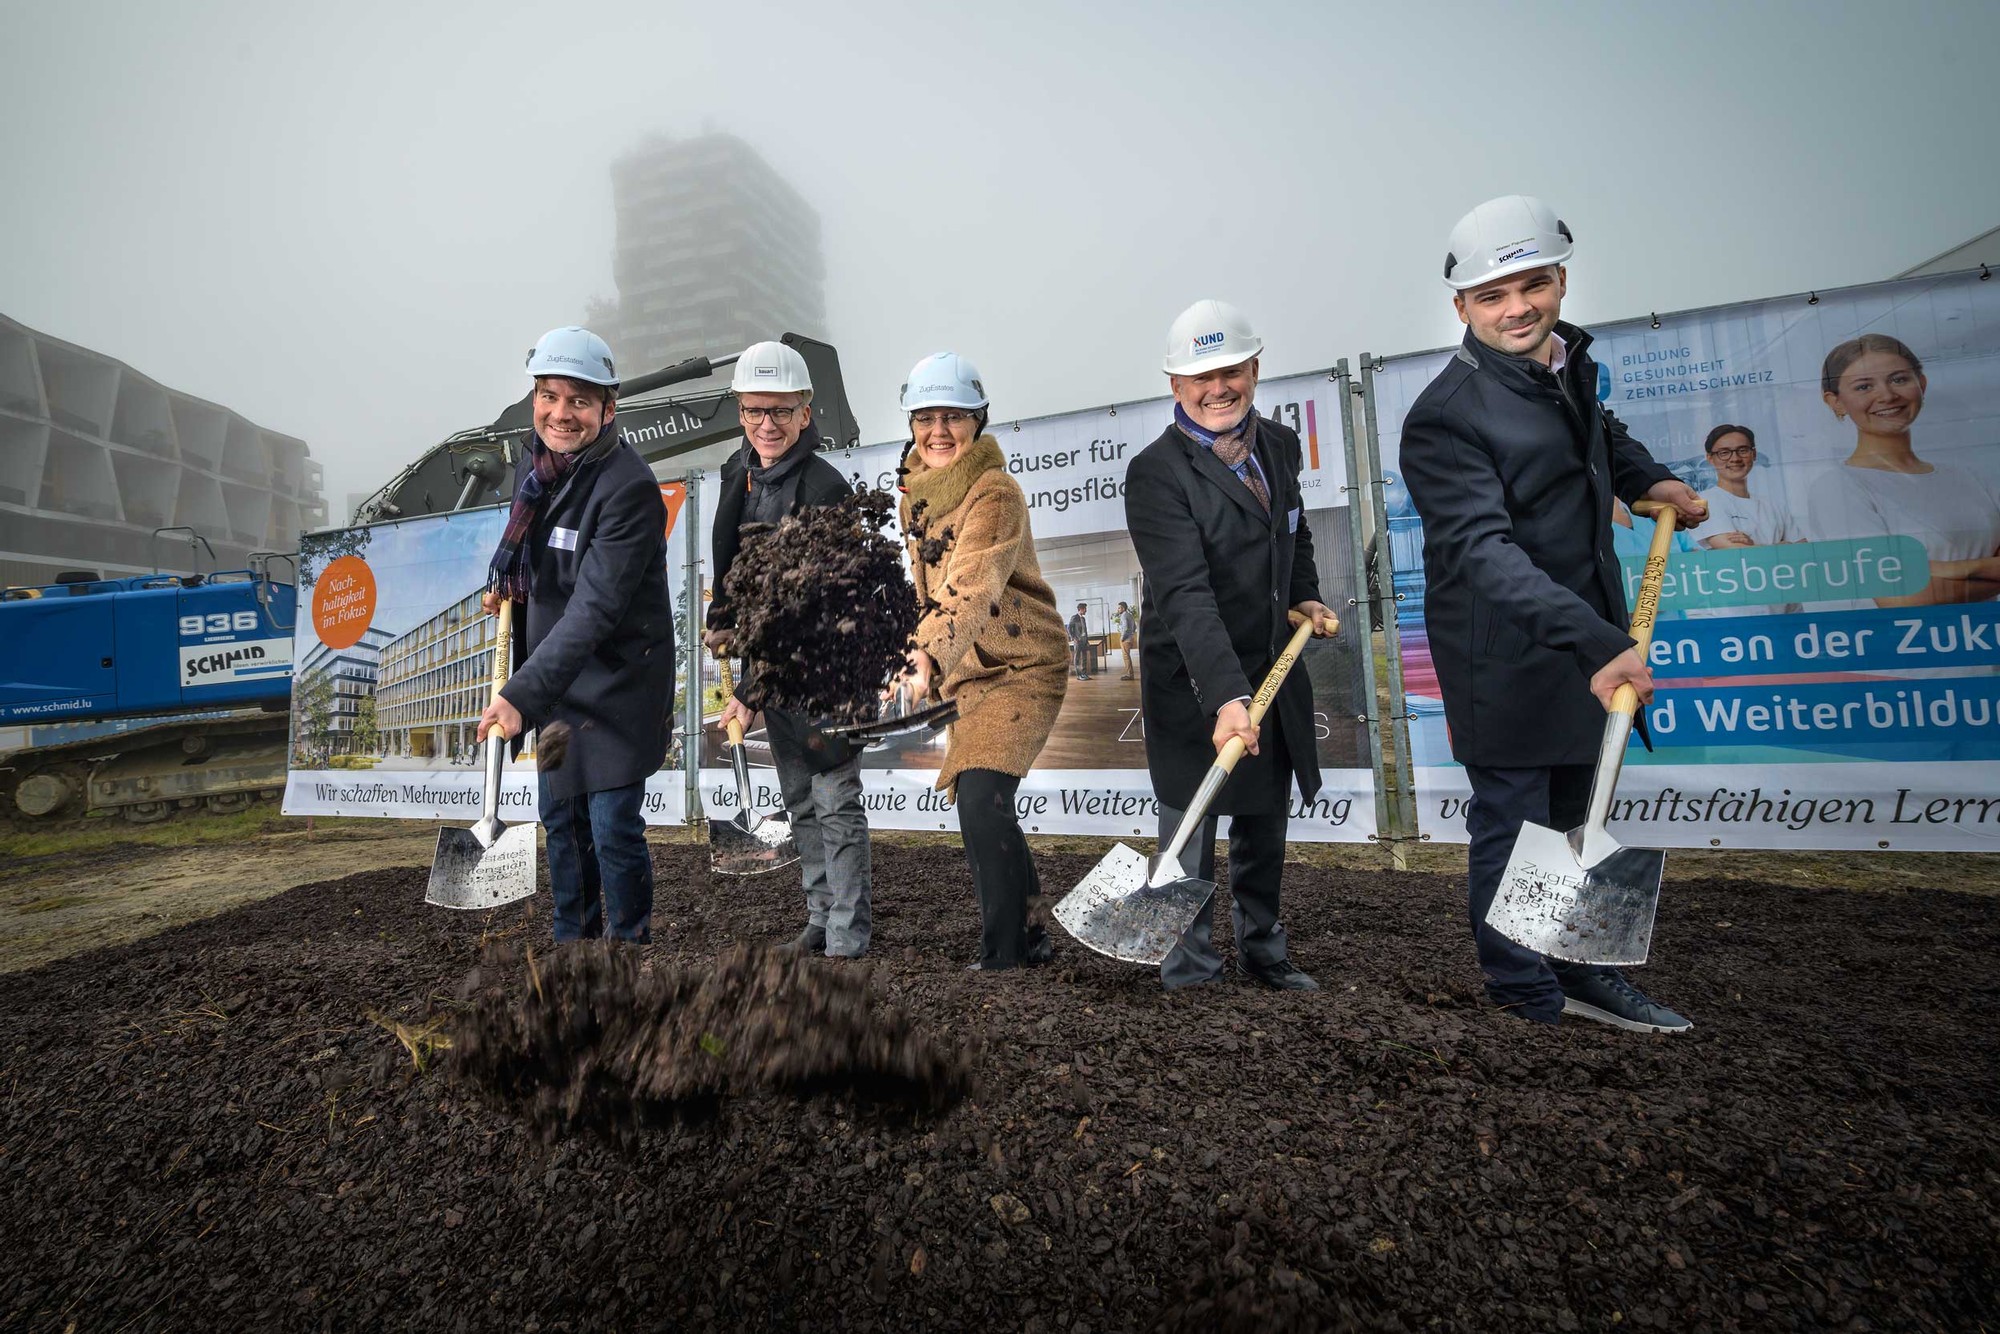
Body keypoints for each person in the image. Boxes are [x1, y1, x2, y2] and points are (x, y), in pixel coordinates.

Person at [1398, 197, 1708, 1033]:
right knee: (1516, 819)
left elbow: (1597, 434)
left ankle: (1579, 970)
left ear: (1561, 280)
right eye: (1493, 296)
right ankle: (1524, 994)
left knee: (1581, 811)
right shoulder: (1445, 414)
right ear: (1461, 306)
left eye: (1531, 286)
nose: (1516, 308)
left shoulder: (1565, 366)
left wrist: (1647, 481)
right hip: (1505, 652)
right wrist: (1600, 644)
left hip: (1583, 636)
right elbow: (1482, 554)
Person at [1124, 300, 1340, 992]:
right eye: (1199, 377)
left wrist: (1302, 591)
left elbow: (1293, 530)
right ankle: (1187, 966)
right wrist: (1225, 696)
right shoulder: (1156, 473)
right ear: (1174, 385)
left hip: (1269, 661)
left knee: (1262, 817)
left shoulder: (1277, 445)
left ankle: (1264, 950)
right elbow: (1184, 592)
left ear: (1254, 368)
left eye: (1230, 372)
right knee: (1191, 818)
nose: (1218, 389)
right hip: (1194, 671)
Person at [478, 327, 674, 944]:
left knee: (612, 827)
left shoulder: (630, 489)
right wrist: (513, 584)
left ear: (608, 409)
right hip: (560, 692)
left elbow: (594, 609)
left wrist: (517, 695)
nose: (561, 414)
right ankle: (573, 954)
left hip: (616, 689)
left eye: (579, 401)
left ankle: (627, 954)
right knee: (561, 824)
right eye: (549, 396)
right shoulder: (535, 474)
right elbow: (547, 564)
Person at [894, 352, 1069, 971]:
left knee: (979, 795)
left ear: (979, 421)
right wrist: (916, 658)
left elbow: (973, 582)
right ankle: (1032, 933)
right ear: (912, 423)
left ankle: (1004, 957)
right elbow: (928, 589)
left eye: (955, 417)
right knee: (984, 797)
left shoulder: (995, 491)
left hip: (1022, 666)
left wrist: (925, 649)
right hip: (969, 670)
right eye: (927, 417)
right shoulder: (914, 492)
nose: (939, 431)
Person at [703, 341, 874, 958]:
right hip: (771, 671)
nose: (766, 424)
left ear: (805, 412)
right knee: (800, 799)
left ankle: (847, 933)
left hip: (827, 675)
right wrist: (721, 616)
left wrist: (750, 691)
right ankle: (819, 917)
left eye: (780, 411)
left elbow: (809, 609)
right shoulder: (737, 475)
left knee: (833, 802)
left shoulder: (825, 489)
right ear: (741, 412)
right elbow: (736, 572)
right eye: (754, 411)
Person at [1806, 334, 2000, 607]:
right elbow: (1900, 597)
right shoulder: (1837, 487)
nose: (1886, 395)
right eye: (1863, 387)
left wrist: (1956, 569)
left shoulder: (1970, 477)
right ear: (1835, 401)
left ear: (1921, 384)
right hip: (1916, 644)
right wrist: (1986, 568)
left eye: (1898, 379)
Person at [1693, 424, 1802, 615]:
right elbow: (1736, 553)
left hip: (1784, 609)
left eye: (1742, 450)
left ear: (1754, 454)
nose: (1735, 458)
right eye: (1724, 453)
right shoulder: (1706, 502)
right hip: (1734, 614)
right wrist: (1780, 549)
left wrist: (1755, 548)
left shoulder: (1774, 505)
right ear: (1710, 458)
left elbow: (1804, 553)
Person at [1068, 603, 1093, 680]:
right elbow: (1069, 628)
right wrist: (1073, 638)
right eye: (1085, 609)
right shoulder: (1074, 617)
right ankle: (1079, 675)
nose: (1086, 610)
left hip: (1084, 641)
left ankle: (1084, 674)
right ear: (1080, 609)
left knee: (1084, 658)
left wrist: (1087, 640)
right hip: (1078, 641)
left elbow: (1085, 631)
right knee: (1077, 658)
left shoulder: (1083, 618)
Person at [1115, 600, 1138, 679]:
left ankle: (1130, 675)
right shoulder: (1130, 615)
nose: (1118, 609)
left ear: (1123, 608)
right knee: (1127, 656)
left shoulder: (1124, 615)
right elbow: (1134, 627)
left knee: (1126, 657)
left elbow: (1125, 627)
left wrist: (1122, 637)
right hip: (1130, 638)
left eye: (1119, 608)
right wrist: (1131, 634)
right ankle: (1130, 674)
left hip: (1126, 640)